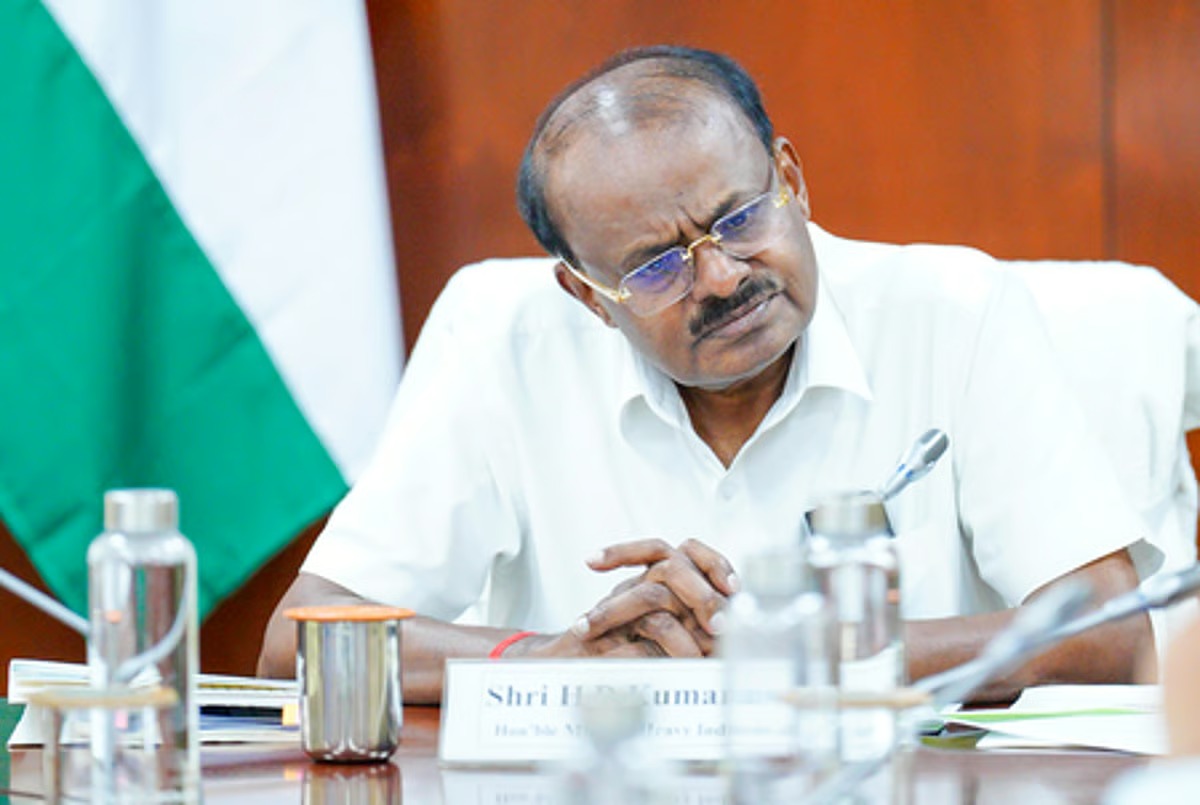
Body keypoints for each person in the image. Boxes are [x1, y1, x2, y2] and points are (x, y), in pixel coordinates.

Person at [258, 45, 1157, 704]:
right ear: (586, 294)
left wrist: (799, 652)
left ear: (791, 179)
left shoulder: (955, 309)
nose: (722, 277)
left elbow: (1108, 632)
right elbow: (302, 642)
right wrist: (556, 659)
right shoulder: (501, 336)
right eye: (656, 267)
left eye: (738, 218)